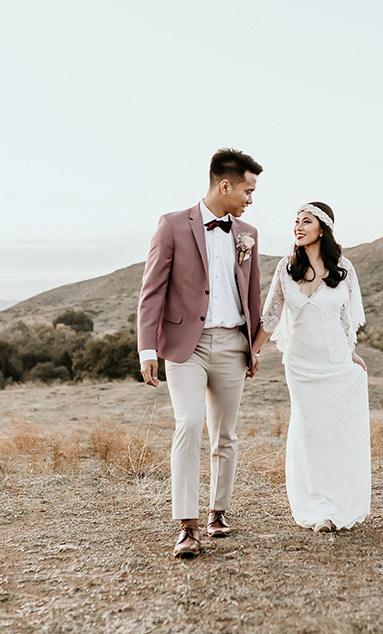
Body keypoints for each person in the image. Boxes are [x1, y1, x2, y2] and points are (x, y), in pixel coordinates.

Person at [136, 148, 264, 559]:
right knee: (189, 423)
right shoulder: (172, 225)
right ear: (224, 185)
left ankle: (217, 513)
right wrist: (146, 347)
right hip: (183, 347)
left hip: (232, 345)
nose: (250, 198)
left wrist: (253, 344)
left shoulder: (248, 233)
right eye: (247, 189)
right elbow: (152, 289)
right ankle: (187, 526)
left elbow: (254, 294)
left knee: (225, 434)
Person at [252, 202, 371, 532]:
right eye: (296, 222)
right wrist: (253, 351)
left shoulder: (342, 268)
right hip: (301, 366)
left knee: (336, 435)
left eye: (306, 221)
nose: (299, 227)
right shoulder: (285, 268)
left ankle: (338, 505)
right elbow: (272, 315)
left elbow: (346, 318)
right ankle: (316, 507)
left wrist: (352, 353)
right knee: (308, 432)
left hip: (335, 364)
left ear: (322, 228)